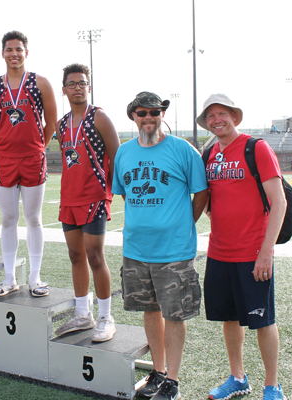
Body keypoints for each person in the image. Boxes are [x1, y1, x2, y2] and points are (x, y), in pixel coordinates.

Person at [112, 92, 208, 400]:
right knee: (150, 311)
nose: (149, 117)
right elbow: (126, 194)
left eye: (155, 111)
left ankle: (173, 380)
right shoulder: (124, 152)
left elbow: (201, 193)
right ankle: (158, 371)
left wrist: (182, 225)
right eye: (143, 112)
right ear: (134, 116)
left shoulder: (183, 150)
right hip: (136, 250)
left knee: (175, 314)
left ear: (162, 114)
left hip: (174, 251)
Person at [198, 94, 287, 400]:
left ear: (234, 117)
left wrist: (266, 252)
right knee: (229, 318)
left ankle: (272, 385)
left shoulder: (255, 148)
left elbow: (279, 203)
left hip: (253, 254)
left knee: (263, 321)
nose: (217, 120)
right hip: (219, 253)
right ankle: (238, 378)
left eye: (222, 113)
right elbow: (210, 201)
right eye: (211, 116)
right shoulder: (209, 154)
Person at [0, 31, 57, 297]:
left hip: (33, 157)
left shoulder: (41, 83)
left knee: (34, 219)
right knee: (8, 219)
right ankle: (10, 277)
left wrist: (37, 145)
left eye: (19, 49)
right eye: (9, 49)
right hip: (4, 159)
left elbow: (51, 122)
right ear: (2, 53)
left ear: (27, 52)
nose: (14, 54)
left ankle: (36, 278)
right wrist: (4, 145)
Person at [54, 64, 120, 342]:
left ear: (88, 87)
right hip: (70, 198)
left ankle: (106, 316)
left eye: (82, 83)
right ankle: (83, 313)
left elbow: (117, 156)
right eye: (72, 83)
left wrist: (110, 192)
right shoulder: (61, 124)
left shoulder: (99, 118)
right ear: (64, 89)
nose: (77, 87)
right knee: (75, 256)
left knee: (95, 256)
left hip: (94, 197)